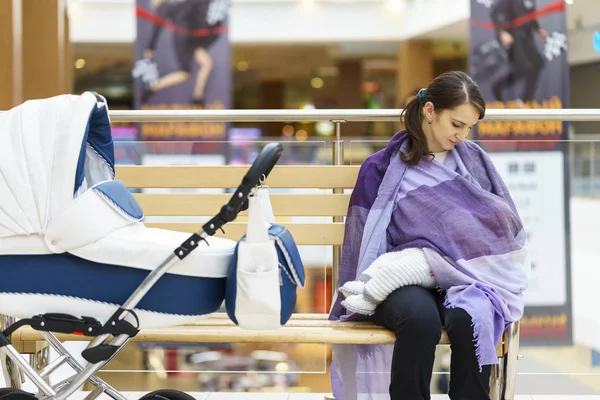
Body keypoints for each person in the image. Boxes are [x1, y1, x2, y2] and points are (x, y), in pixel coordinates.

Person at [328, 71, 530, 400]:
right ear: (430, 111)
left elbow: (501, 224)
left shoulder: (475, 163)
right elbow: (361, 241)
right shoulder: (380, 168)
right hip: (402, 280)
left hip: (467, 276)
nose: (463, 136)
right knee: (419, 321)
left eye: (469, 127)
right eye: (456, 124)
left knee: (471, 320)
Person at [134, 0, 230, 105]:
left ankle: (197, 97)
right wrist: (150, 47)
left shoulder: (182, 4)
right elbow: (157, 27)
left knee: (207, 64)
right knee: (185, 73)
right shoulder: (167, 7)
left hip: (192, 39)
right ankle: (154, 87)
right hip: (184, 40)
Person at [489, 0, 548, 102]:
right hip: (513, 38)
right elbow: (495, 12)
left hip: (527, 37)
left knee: (539, 63)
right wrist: (502, 32)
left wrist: (538, 29)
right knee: (524, 69)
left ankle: (526, 99)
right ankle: (498, 86)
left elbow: (530, 15)